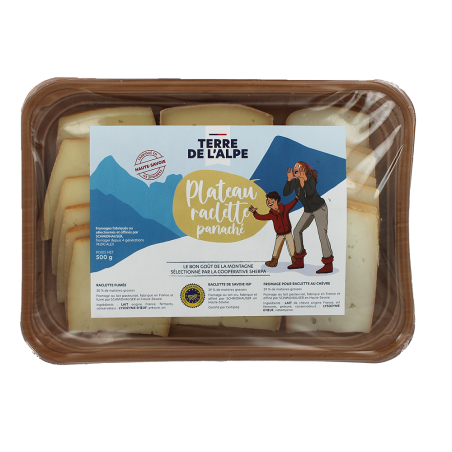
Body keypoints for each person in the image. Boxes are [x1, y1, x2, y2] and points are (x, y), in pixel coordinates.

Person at [283, 161, 334, 273]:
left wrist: (304, 179)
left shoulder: (310, 178)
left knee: (322, 233)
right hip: (308, 210)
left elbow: (310, 193)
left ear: (304, 169)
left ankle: (328, 264)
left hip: (319, 208)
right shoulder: (295, 182)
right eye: (295, 166)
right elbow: (285, 192)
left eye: (298, 166)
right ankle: (299, 261)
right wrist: (289, 180)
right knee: (297, 231)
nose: (295, 168)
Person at [249, 191, 298, 268]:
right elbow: (261, 217)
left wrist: (296, 199)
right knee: (277, 247)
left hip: (288, 232)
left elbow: (291, 204)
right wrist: (254, 212)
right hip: (279, 234)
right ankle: (274, 261)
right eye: (267, 200)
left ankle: (295, 260)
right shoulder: (271, 214)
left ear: (276, 200)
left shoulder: (284, 208)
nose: (268, 202)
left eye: (270, 199)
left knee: (291, 246)